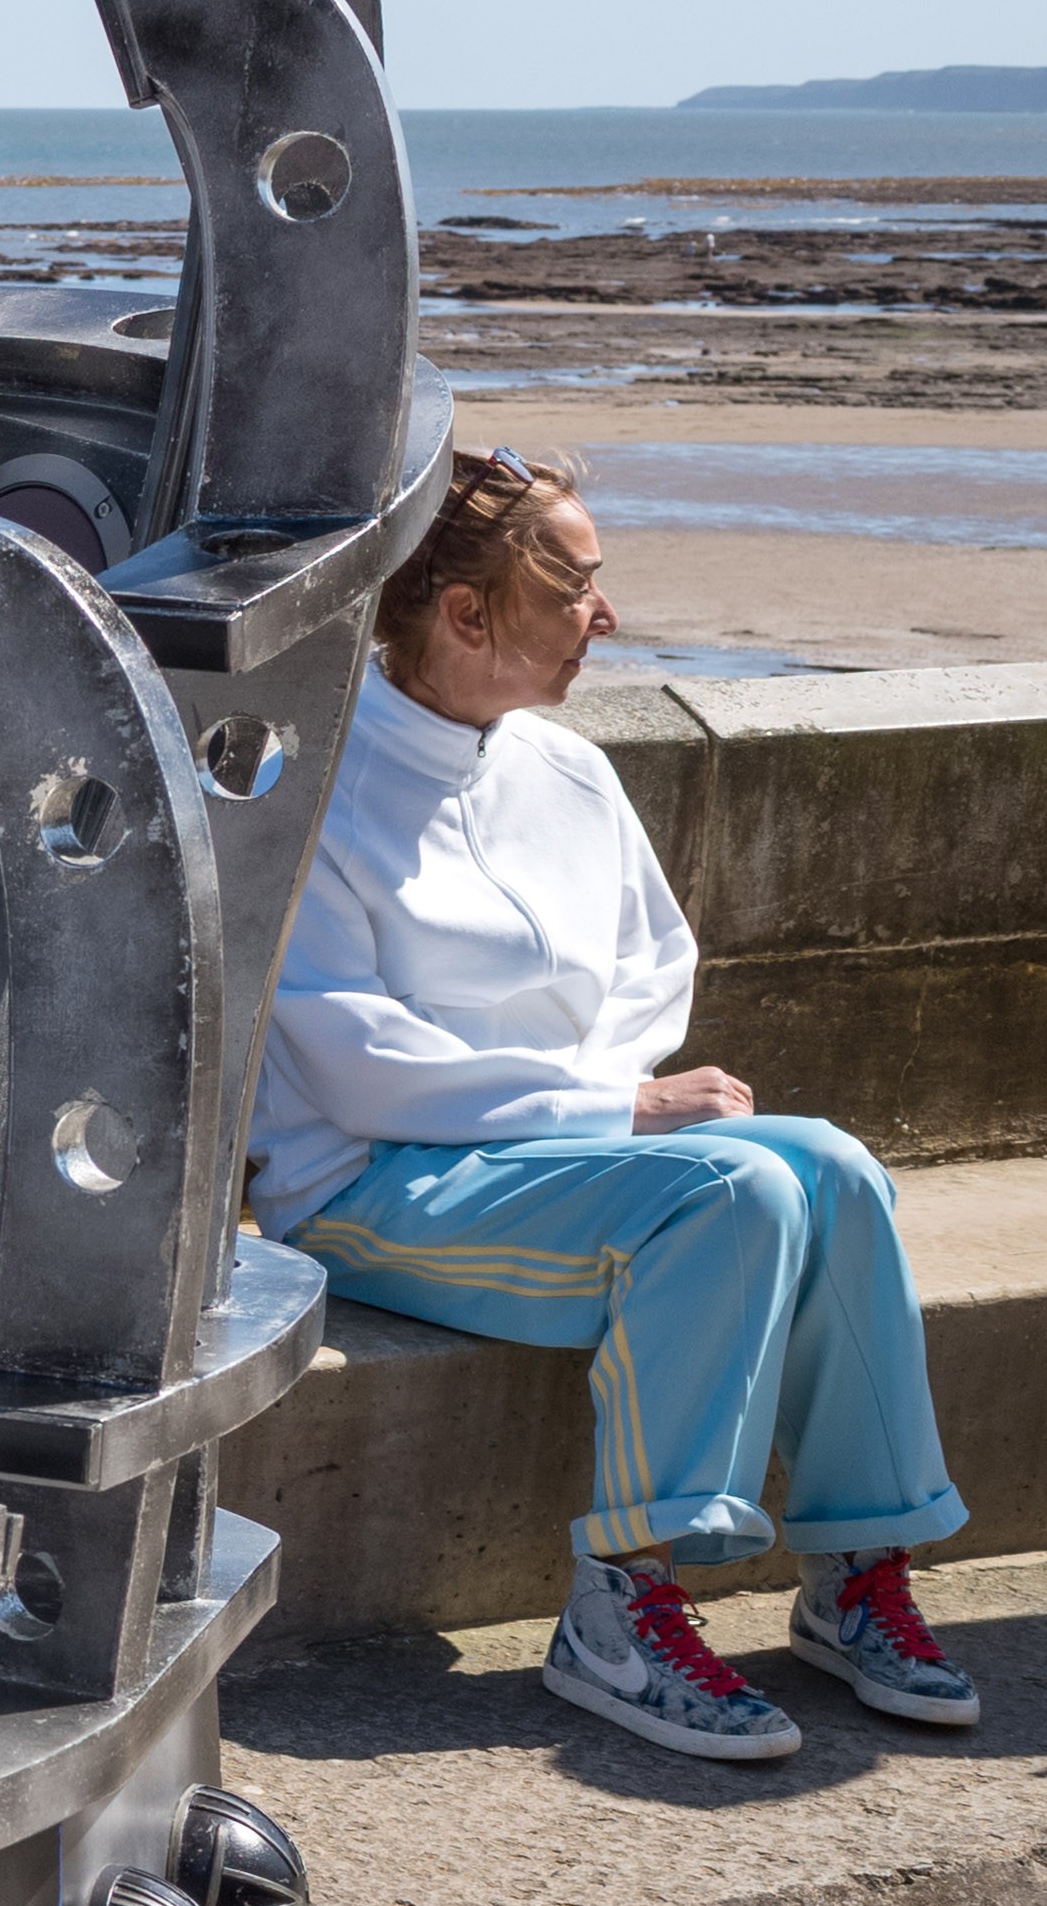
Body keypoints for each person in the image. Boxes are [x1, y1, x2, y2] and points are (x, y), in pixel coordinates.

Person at [251, 445, 977, 1763]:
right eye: (576, 584)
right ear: (465, 613)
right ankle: (618, 1607)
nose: (606, 614)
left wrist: (600, 1102)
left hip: (556, 1157)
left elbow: (657, 962)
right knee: (736, 1187)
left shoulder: (566, 772)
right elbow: (353, 1057)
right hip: (363, 1183)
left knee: (834, 1168)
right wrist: (607, 1102)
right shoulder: (307, 786)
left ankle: (853, 1568)